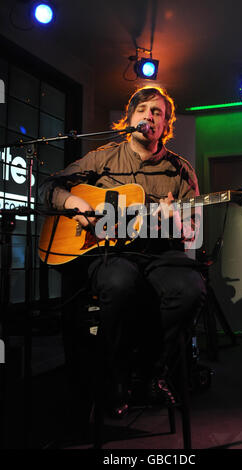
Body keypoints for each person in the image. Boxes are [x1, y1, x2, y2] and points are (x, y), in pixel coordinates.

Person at [40, 86, 206, 420]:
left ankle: (149, 373)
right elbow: (49, 187)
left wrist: (177, 222)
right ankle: (115, 375)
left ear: (166, 125)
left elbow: (192, 233)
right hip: (110, 254)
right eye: (143, 109)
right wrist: (73, 203)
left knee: (191, 290)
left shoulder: (181, 170)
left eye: (158, 112)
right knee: (118, 284)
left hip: (159, 255)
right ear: (129, 117)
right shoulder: (103, 158)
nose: (149, 116)